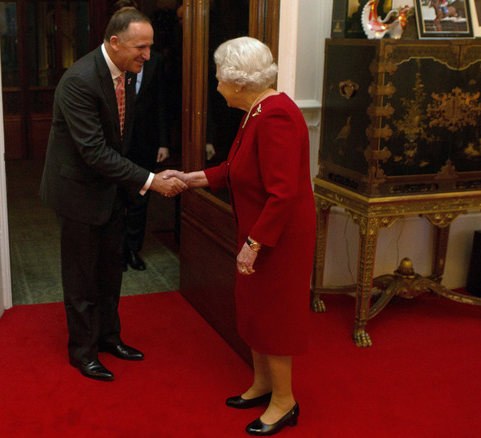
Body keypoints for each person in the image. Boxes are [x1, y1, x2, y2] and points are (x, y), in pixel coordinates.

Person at [166, 37, 315, 436]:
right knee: (253, 309)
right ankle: (264, 384)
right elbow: (237, 168)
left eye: (219, 78)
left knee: (274, 316)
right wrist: (192, 179)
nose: (216, 86)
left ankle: (285, 402)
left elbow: (282, 193)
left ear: (238, 81)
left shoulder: (276, 115)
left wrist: (254, 244)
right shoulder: (257, 111)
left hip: (279, 240)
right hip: (261, 233)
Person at [39, 8, 187, 382]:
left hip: (110, 191)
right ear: (115, 42)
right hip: (77, 193)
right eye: (141, 47)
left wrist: (148, 173)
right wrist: (151, 181)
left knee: (109, 272)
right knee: (81, 279)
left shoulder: (128, 73)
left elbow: (122, 141)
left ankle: (109, 338)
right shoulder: (79, 81)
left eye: (150, 47)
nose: (148, 55)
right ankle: (83, 352)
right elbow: (95, 152)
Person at [111, 0, 171, 271]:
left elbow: (162, 102)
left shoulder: (155, 61)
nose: (144, 52)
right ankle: (116, 250)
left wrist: (163, 142)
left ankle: (132, 249)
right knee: (116, 198)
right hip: (115, 144)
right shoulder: (109, 64)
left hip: (145, 141)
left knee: (140, 197)